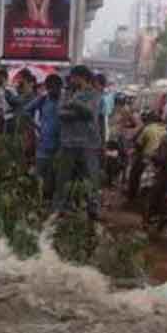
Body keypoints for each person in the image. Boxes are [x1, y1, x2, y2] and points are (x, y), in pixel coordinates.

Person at [52, 65, 102, 220]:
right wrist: (76, 108)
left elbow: (89, 112)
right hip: (68, 142)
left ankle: (93, 209)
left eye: (73, 77)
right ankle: (58, 208)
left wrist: (73, 104)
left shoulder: (94, 94)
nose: (71, 80)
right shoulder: (66, 93)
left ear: (81, 77)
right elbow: (60, 113)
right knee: (63, 178)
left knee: (90, 177)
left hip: (88, 143)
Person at [24, 74, 63, 201]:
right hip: (43, 144)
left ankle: (49, 202)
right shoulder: (42, 99)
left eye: (56, 87)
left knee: (55, 178)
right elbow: (25, 111)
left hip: (60, 147)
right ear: (47, 87)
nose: (54, 90)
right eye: (50, 87)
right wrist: (36, 126)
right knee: (39, 176)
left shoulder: (66, 101)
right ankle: (37, 201)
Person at [127, 111, 166, 201]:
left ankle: (131, 197)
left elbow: (138, 144)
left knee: (134, 174)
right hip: (161, 160)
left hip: (147, 158)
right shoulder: (165, 129)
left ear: (149, 120)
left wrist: (136, 150)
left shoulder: (147, 129)